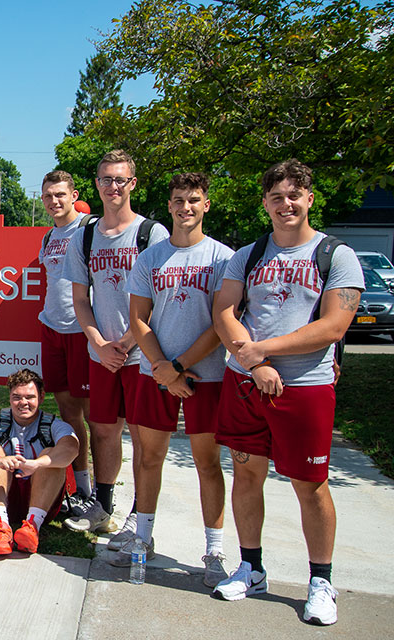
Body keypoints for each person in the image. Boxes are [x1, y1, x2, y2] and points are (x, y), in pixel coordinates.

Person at [211, 159, 362, 626]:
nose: (286, 204)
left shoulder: (336, 255)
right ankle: (251, 567)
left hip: (305, 388)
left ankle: (321, 581)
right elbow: (224, 313)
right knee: (246, 475)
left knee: (310, 487)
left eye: (294, 194)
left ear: (310, 198)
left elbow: (334, 325)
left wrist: (263, 351)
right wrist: (255, 363)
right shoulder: (249, 255)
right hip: (245, 383)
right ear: (265, 204)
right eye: (276, 197)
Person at [122, 172, 233, 586]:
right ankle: (143, 540)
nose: (185, 207)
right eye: (178, 200)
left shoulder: (224, 257)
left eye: (194, 200)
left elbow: (224, 322)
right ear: (168, 205)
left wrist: (179, 367)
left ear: (206, 204)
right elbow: (138, 318)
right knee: (149, 459)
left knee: (208, 464)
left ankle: (214, 549)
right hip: (156, 373)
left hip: (207, 375)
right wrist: (162, 369)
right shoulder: (150, 258)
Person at [62, 150, 169, 536]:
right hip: (102, 353)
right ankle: (103, 506)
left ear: (132, 183)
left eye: (120, 179)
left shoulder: (151, 234)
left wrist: (126, 341)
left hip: (143, 355)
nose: (112, 187)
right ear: (96, 184)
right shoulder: (86, 235)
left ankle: (140, 517)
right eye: (105, 179)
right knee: (104, 429)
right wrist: (98, 342)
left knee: (142, 435)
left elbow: (161, 297)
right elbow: (79, 300)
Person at [0, 369, 79, 556]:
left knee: (50, 455)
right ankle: (1, 528)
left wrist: (37, 464)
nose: (23, 403)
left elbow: (71, 448)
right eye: (16, 397)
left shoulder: (52, 424)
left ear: (41, 397)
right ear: (9, 397)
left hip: (42, 499)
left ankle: (32, 527)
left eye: (29, 397)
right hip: (2, 497)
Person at [37, 170, 95, 515]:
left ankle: (101, 495)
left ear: (74, 195)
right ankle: (80, 487)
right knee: (68, 415)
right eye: (48, 196)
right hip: (51, 329)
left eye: (60, 194)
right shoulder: (48, 237)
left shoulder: (90, 230)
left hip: (81, 331)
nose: (54, 201)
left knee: (95, 419)